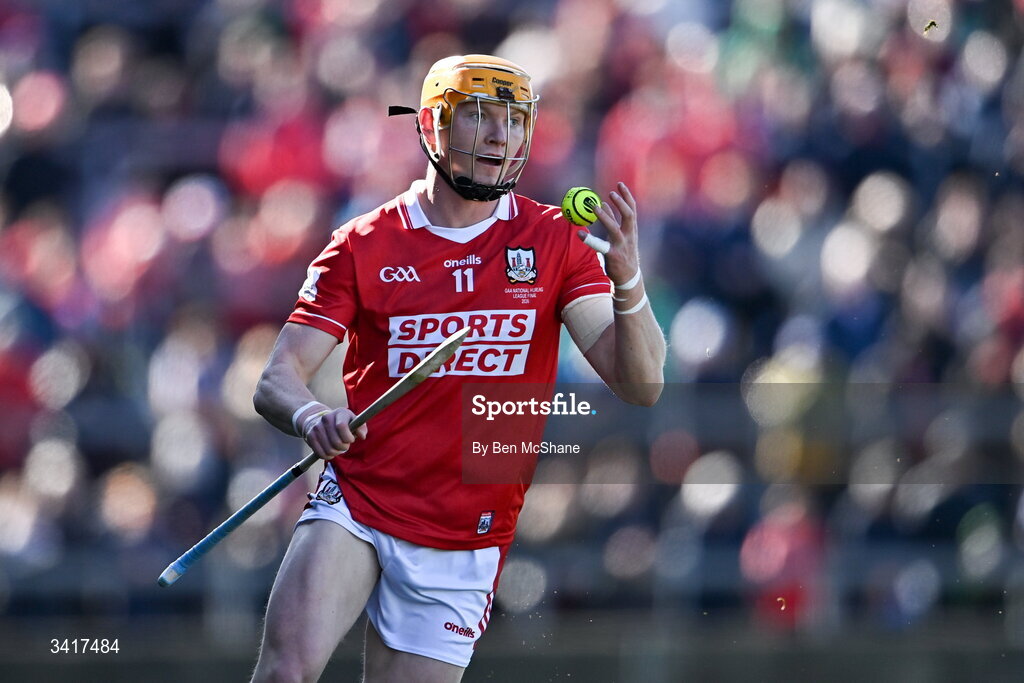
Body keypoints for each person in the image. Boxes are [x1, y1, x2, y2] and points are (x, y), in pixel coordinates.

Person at [249, 54, 665, 683]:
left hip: (466, 533)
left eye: (515, 119)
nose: (501, 135)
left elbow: (643, 384)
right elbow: (276, 379)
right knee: (287, 673)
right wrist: (310, 415)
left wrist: (628, 276)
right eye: (479, 116)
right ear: (431, 126)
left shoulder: (554, 241)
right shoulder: (363, 243)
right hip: (362, 498)